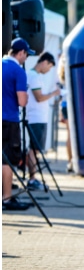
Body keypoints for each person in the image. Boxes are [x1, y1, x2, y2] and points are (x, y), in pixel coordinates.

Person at [2, 38, 33, 211]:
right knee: (7, 161)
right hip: (8, 119)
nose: (25, 59)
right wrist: (26, 96)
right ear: (20, 52)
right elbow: (22, 101)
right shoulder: (18, 71)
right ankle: (6, 198)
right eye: (26, 55)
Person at [24, 52, 59, 188]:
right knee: (33, 149)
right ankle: (32, 179)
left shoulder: (35, 76)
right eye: (49, 67)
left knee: (35, 149)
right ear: (44, 62)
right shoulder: (33, 76)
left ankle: (32, 177)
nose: (49, 70)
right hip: (35, 117)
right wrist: (54, 93)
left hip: (38, 117)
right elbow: (39, 97)